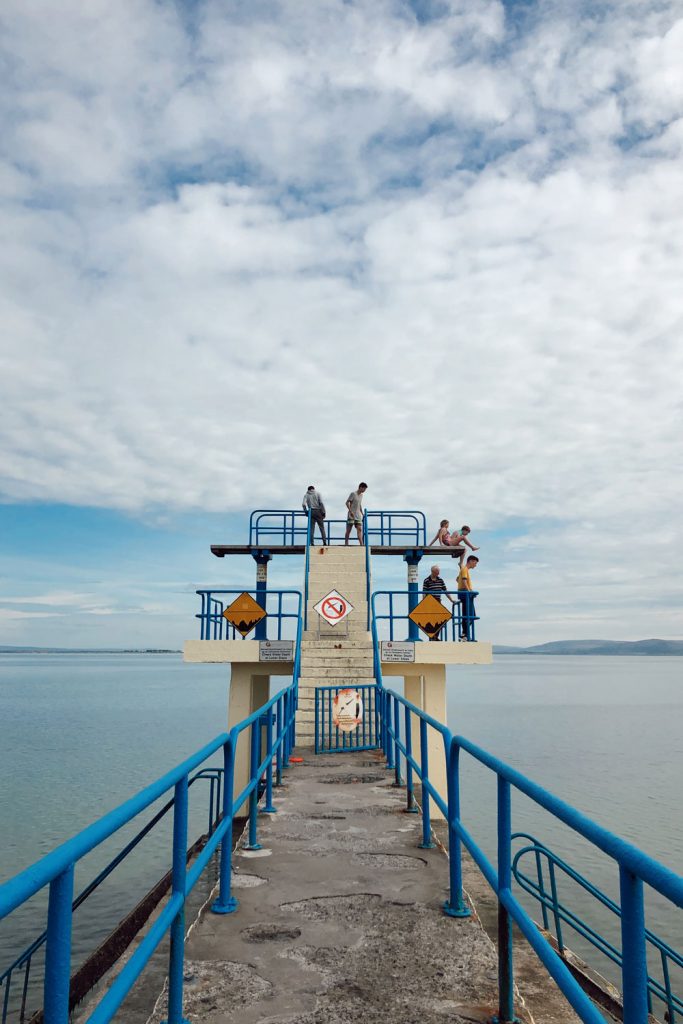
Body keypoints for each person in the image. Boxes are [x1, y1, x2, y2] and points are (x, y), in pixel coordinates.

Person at [422, 564, 456, 640]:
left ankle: (435, 636)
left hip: (438, 601)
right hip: (430, 601)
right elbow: (424, 592)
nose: (438, 573)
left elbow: (445, 591)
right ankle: (433, 636)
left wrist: (451, 600)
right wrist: (423, 603)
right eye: (437, 572)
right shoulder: (427, 580)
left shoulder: (440, 580)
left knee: (442, 618)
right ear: (432, 572)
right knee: (432, 620)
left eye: (439, 572)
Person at [457, 555, 479, 641]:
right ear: (471, 561)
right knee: (468, 615)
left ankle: (464, 633)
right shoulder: (464, 569)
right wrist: (469, 591)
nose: (475, 565)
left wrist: (470, 590)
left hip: (464, 593)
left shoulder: (464, 570)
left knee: (470, 615)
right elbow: (464, 580)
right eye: (475, 563)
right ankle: (464, 634)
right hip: (465, 593)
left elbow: (458, 579)